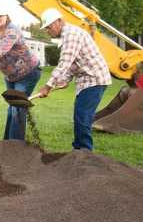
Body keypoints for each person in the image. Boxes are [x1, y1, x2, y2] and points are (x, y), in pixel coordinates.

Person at [38, 8, 111, 151]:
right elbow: (73, 64)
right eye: (46, 28)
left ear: (60, 21)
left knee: (82, 117)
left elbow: (65, 62)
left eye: (49, 26)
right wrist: (65, 79)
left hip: (94, 79)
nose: (48, 30)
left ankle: (84, 153)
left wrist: (48, 86)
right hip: (86, 80)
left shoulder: (71, 34)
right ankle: (78, 151)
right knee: (80, 116)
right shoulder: (67, 36)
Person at [0, 4, 41, 141]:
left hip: (27, 73)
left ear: (6, 16)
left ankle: (16, 147)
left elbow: (2, 49)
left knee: (17, 108)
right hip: (11, 75)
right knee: (11, 108)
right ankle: (8, 142)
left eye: (0, 15)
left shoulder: (12, 30)